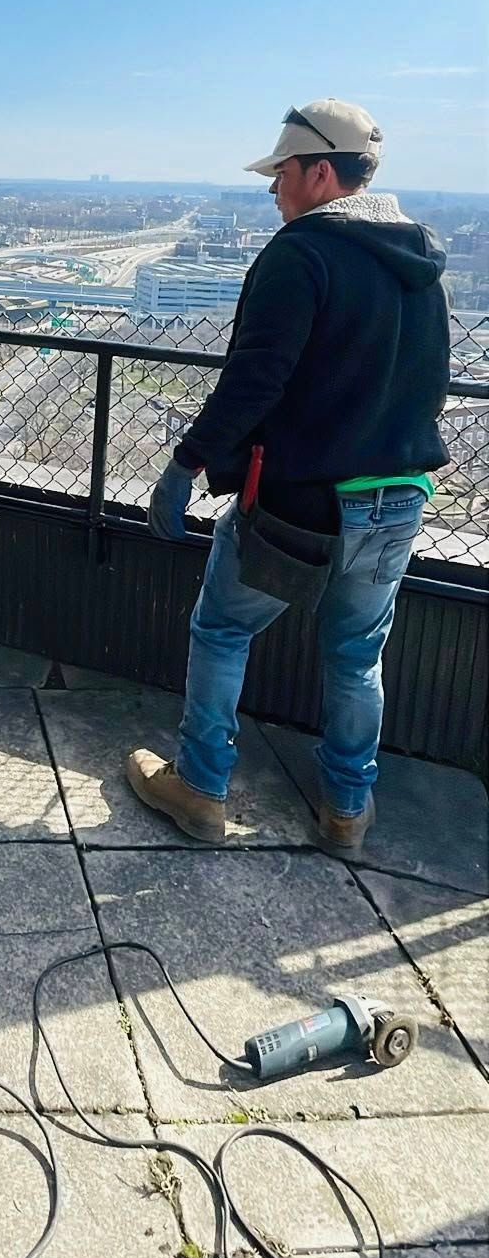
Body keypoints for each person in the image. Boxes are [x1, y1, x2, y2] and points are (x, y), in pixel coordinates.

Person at [128, 100, 450, 855]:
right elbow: (428, 384)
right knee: (355, 656)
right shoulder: (423, 264)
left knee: (222, 629)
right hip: (398, 497)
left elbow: (255, 379)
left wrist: (186, 463)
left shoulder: (301, 253)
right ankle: (347, 810)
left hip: (303, 503)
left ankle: (201, 791)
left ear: (318, 171)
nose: (273, 189)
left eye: (281, 173)